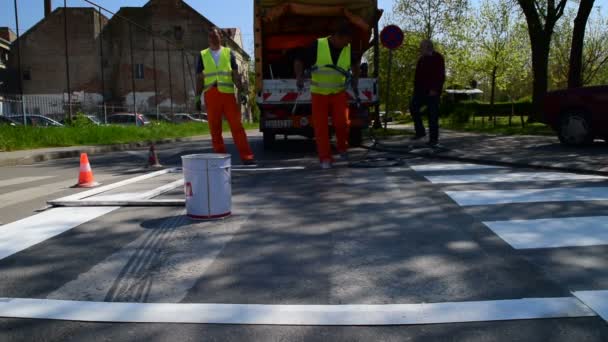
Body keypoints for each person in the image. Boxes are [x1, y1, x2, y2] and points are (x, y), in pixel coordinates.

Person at [294, 22, 360, 169]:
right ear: (337, 37)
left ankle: (342, 147)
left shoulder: (347, 48)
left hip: (339, 93)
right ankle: (325, 158)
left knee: (342, 123)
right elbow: (299, 60)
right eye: (345, 41)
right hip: (319, 94)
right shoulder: (318, 45)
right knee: (321, 127)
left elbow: (356, 64)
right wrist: (299, 77)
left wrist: (355, 79)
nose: (347, 45)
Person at [195, 27, 256, 165]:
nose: (213, 38)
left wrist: (241, 91)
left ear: (220, 38)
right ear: (208, 39)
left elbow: (235, 74)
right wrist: (197, 97)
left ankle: (247, 156)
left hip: (228, 96)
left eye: (215, 36)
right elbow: (199, 78)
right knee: (215, 129)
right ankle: (220, 158)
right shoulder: (202, 55)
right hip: (211, 95)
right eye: (210, 36)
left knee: (237, 127)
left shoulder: (228, 53)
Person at [410, 39, 445, 147]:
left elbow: (440, 75)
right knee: (413, 107)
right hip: (421, 92)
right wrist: (415, 91)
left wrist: (435, 89)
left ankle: (433, 139)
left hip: (433, 92)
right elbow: (417, 77)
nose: (420, 49)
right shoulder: (421, 60)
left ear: (428, 47)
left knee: (432, 115)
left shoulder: (437, 58)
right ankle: (420, 131)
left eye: (422, 47)